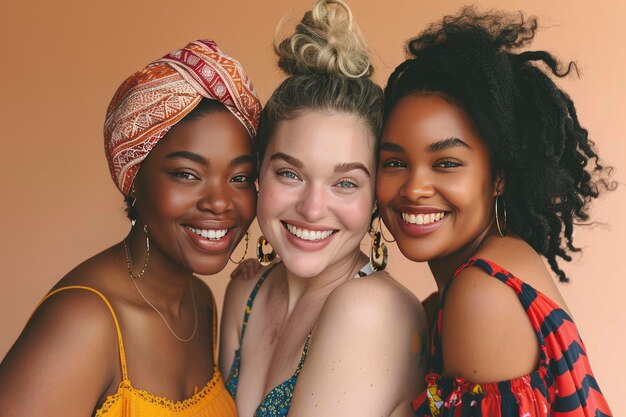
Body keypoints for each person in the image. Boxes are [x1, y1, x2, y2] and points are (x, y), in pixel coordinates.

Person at [0, 39, 261, 417]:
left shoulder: (201, 303)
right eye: (187, 174)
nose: (220, 202)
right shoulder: (85, 320)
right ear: (134, 180)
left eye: (240, 177)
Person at [377, 8, 613, 416]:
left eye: (447, 163)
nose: (414, 188)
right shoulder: (476, 280)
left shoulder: (482, 294)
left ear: (498, 177)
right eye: (395, 162)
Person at [219, 1, 427, 416]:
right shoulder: (246, 291)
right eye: (290, 174)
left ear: (375, 200)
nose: (313, 209)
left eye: (345, 183)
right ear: (258, 172)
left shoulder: (370, 310)